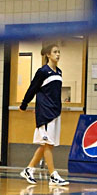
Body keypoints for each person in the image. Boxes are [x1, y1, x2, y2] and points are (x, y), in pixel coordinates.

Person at [19, 43, 69, 186]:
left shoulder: (59, 72)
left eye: (59, 52)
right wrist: (24, 104)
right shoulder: (42, 72)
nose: (58, 54)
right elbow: (32, 88)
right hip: (44, 112)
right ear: (48, 54)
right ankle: (53, 175)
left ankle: (29, 169)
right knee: (47, 144)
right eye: (55, 52)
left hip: (55, 112)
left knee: (47, 145)